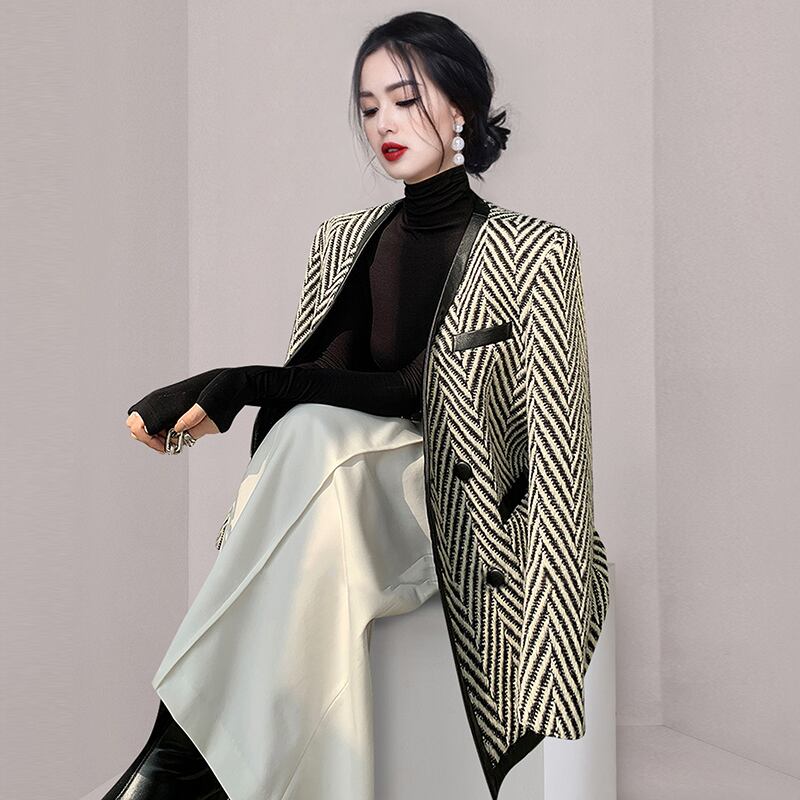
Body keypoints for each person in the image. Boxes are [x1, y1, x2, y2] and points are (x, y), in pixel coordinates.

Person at [105, 11, 577, 800]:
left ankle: (175, 755)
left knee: (315, 436)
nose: (384, 123)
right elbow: (327, 377)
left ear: (462, 105)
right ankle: (194, 766)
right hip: (341, 495)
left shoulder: (535, 252)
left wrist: (244, 382)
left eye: (405, 99)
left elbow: (550, 443)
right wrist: (251, 384)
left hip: (451, 515)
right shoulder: (343, 240)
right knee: (314, 435)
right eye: (369, 107)